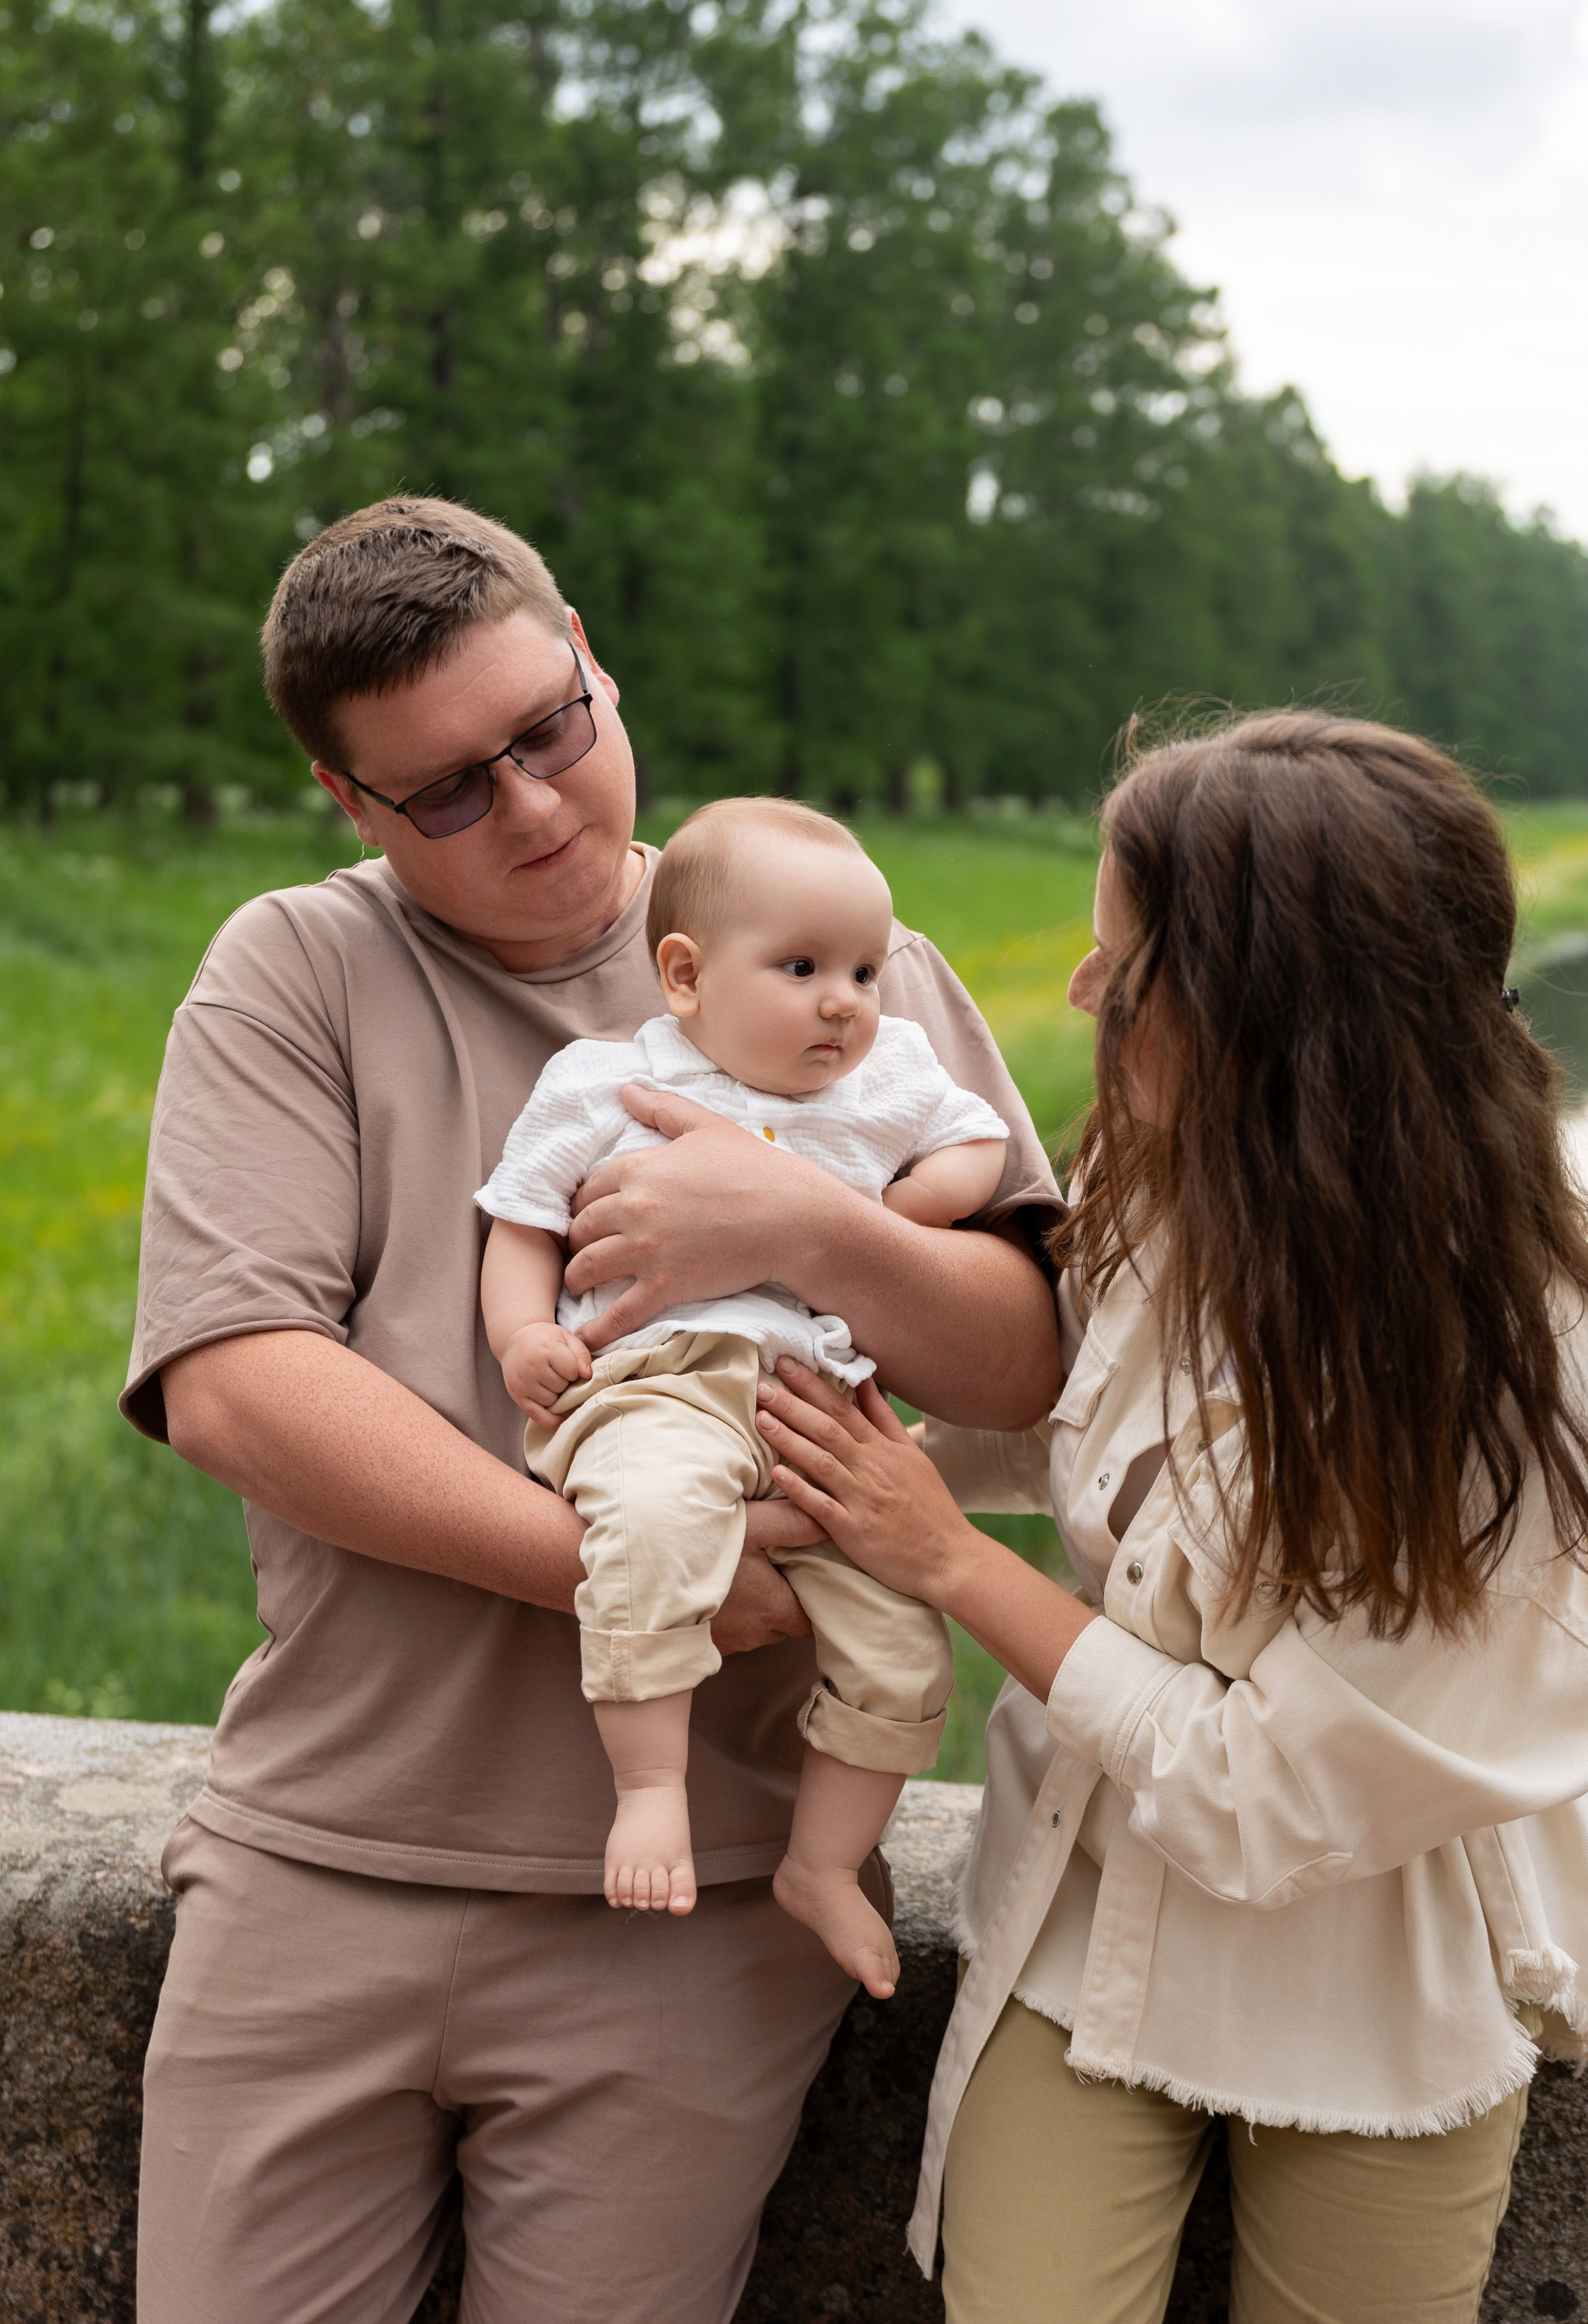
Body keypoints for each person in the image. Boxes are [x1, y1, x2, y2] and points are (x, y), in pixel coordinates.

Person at [121, 494, 1061, 2324]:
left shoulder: (849, 962)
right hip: (319, 1863)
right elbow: (241, 1384)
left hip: (706, 1906)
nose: (538, 808)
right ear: (353, 804)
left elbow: (1022, 1359)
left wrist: (804, 1223)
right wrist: (632, 1572)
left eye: (552, 730)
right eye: (450, 791)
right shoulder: (296, 972)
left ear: (597, 667)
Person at [752, 712, 1588, 2324]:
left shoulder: (1530, 1364)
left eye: (1126, 975)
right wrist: (819, 1454)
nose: (1079, 999)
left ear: (1276, 1018)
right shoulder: (1173, 1184)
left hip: (1387, 1974)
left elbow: (1269, 1787)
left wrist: (942, 1558)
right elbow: (1079, 1438)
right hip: (1093, 1920)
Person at [478, 794, 1008, 1992]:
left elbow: (976, 1146)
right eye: (806, 967)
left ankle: (823, 1861)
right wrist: (520, 1337)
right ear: (685, 974)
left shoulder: (892, 1073)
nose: (848, 1001)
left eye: (869, 970)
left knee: (900, 1643)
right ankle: (650, 1786)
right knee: (656, 1529)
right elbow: (520, 1219)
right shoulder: (608, 1082)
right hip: (656, 1382)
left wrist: (881, 1214)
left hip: (812, 1400)